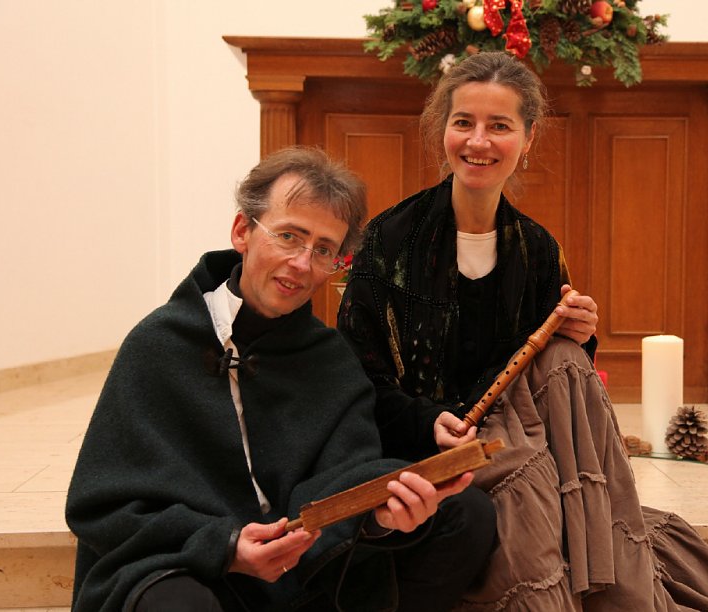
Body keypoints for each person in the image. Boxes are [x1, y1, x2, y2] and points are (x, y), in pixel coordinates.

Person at [338, 52, 708, 611]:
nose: (478, 141)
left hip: (514, 434)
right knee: (529, 478)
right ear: (442, 131)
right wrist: (430, 421)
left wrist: (581, 332)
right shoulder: (389, 240)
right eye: (464, 123)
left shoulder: (538, 249)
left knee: (560, 381)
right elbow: (357, 378)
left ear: (527, 139)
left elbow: (547, 376)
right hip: (419, 445)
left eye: (499, 126)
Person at [65, 146, 497, 612]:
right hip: (197, 565)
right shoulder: (158, 344)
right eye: (289, 236)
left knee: (466, 514)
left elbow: (345, 476)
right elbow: (104, 506)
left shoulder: (329, 358)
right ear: (242, 231)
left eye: (324, 250)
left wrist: (382, 514)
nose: (302, 263)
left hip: (304, 568)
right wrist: (226, 546)